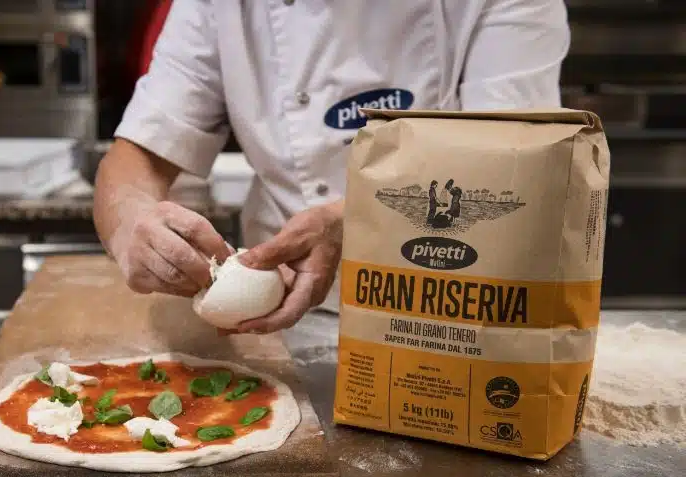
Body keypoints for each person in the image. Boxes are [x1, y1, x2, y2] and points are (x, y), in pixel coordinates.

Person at [93, 0, 571, 335]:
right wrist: (133, 224)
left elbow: (510, 164)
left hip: (450, 316)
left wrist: (354, 221)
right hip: (278, 324)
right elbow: (135, 159)